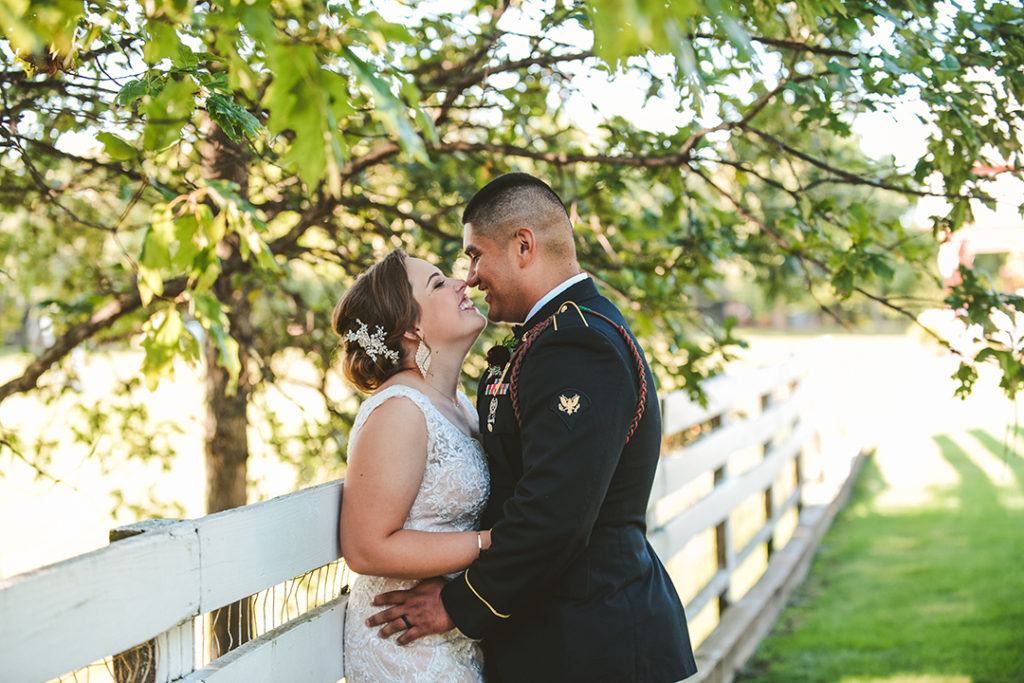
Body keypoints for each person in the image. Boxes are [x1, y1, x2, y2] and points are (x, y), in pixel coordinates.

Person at [368, 173, 698, 682]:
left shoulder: (576, 344)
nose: (471, 277)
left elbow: (555, 512)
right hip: (555, 636)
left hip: (591, 642)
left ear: (523, 245)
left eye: (476, 255)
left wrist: (458, 604)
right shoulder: (548, 337)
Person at [332, 249, 492, 682]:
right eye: (439, 283)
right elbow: (366, 547)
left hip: (450, 635)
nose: (463, 284)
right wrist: (490, 543)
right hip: (405, 648)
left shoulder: (457, 404)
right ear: (411, 328)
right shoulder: (400, 410)